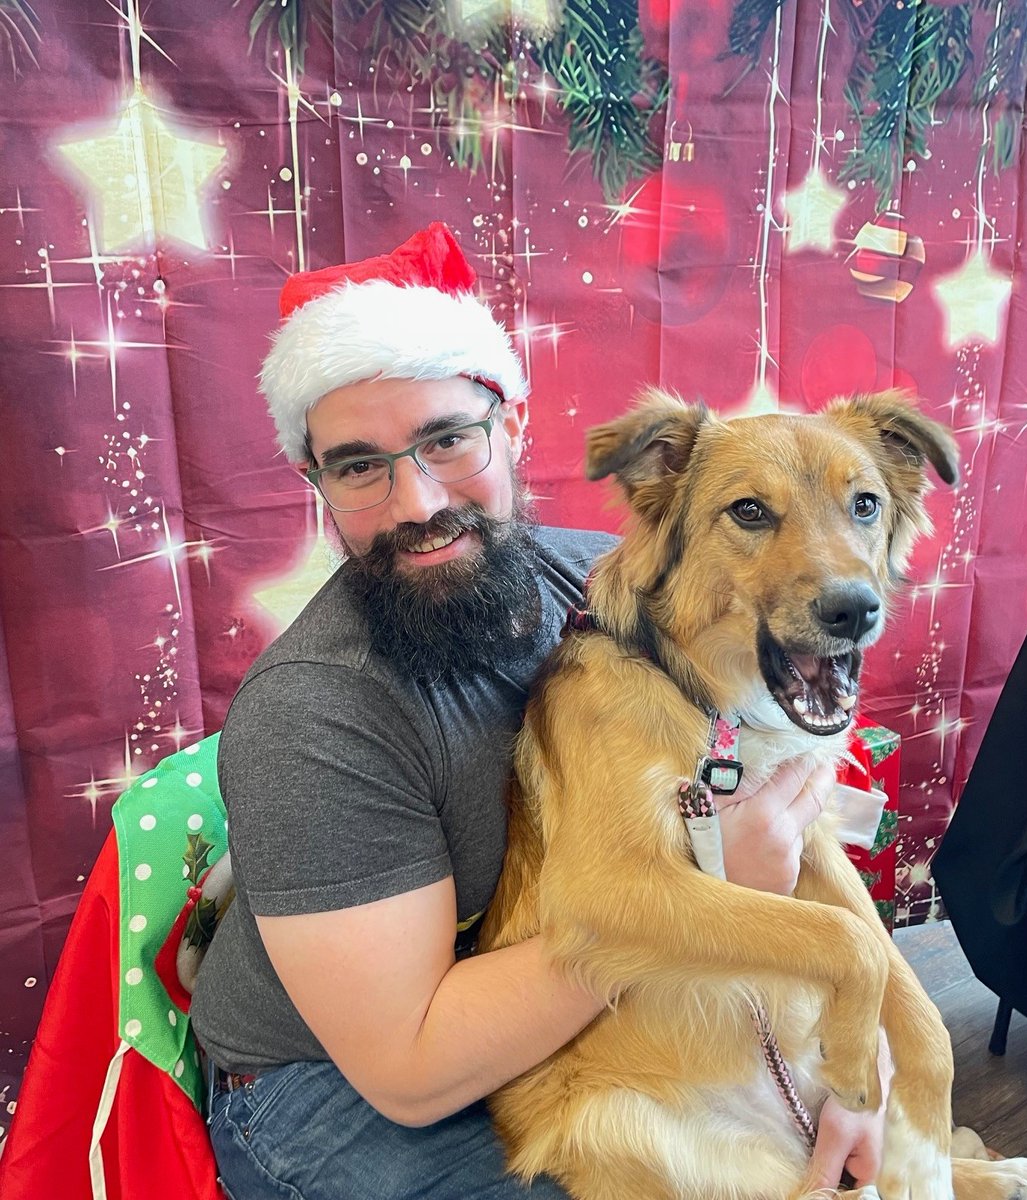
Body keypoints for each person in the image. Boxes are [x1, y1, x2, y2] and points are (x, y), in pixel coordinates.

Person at [190, 222, 883, 1199]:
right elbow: (413, 1069)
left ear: (511, 423)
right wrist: (719, 877)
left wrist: (861, 1051)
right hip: (332, 1085)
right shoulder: (312, 719)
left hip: (540, 974)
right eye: (357, 466)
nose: (414, 501)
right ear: (317, 483)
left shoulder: (597, 578)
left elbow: (761, 791)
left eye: (445, 438)